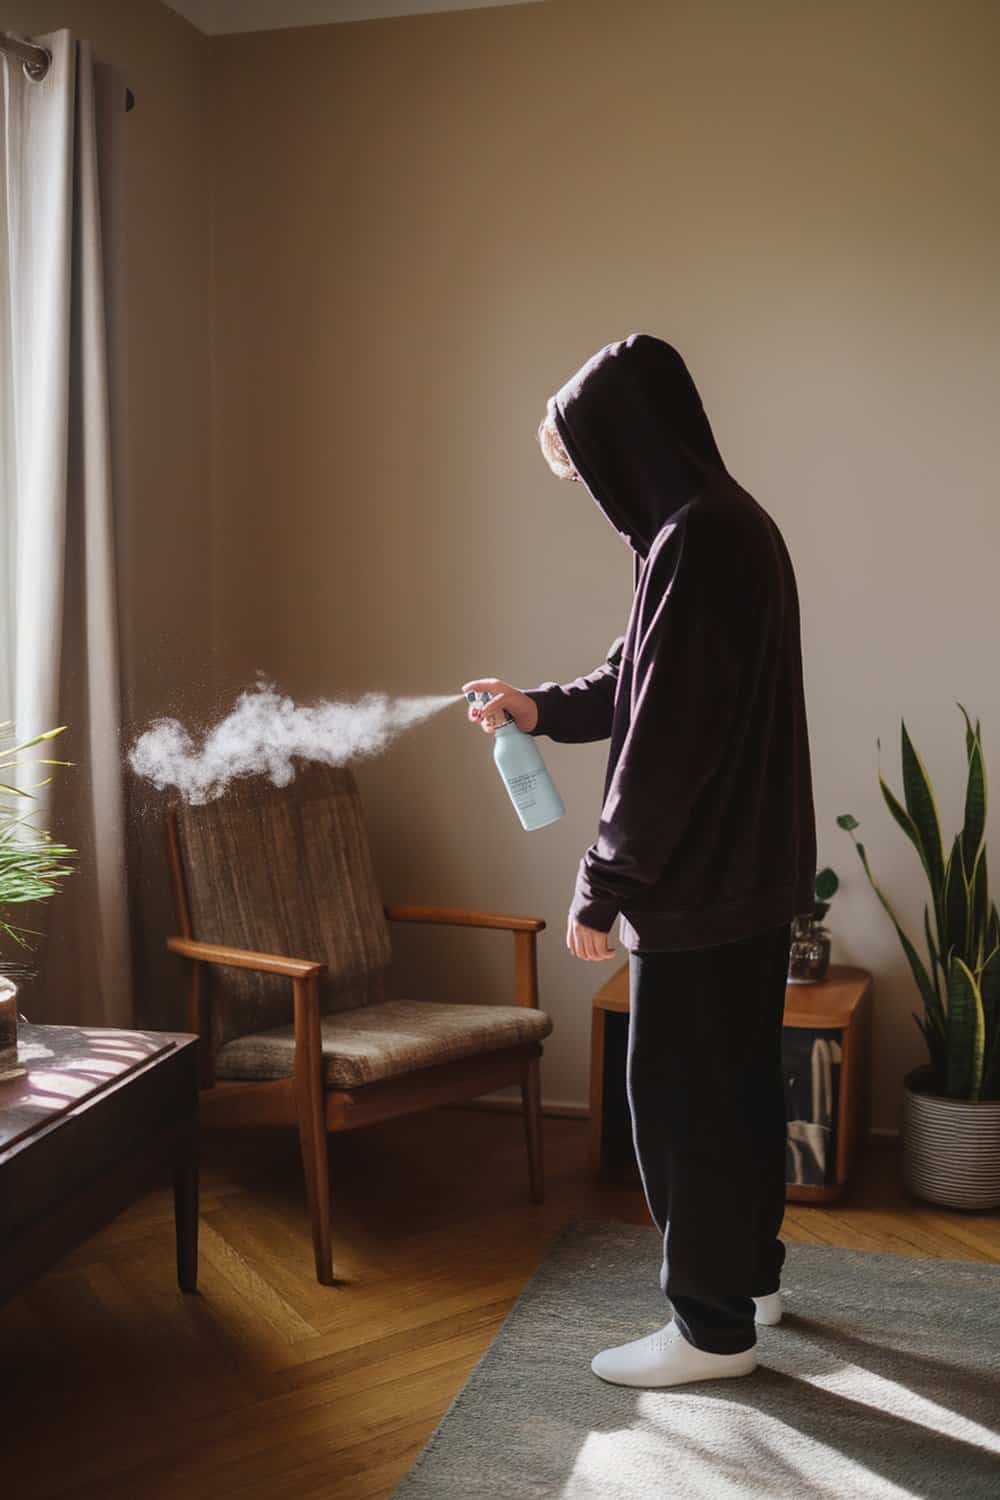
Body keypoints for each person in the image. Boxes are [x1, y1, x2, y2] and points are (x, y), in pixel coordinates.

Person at [463, 332, 817, 1389]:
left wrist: (601, 886)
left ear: (626, 442)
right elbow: (635, 681)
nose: (591, 490)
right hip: (751, 879)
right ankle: (747, 1285)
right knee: (741, 1085)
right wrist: (537, 707)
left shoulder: (691, 543)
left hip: (698, 888)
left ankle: (708, 1331)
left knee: (676, 1097)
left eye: (585, 467)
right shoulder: (721, 525)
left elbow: (662, 743)